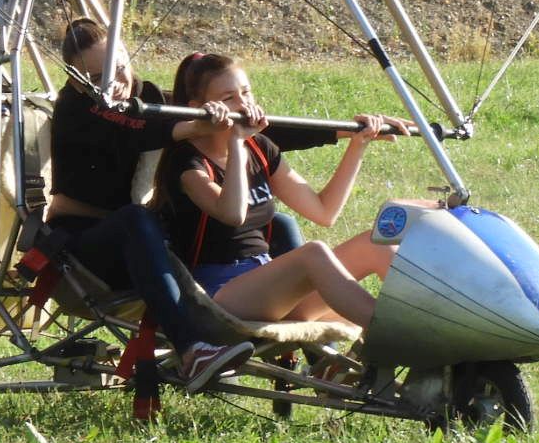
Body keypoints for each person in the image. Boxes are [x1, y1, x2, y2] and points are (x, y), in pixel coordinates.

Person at [45, 19, 264, 391]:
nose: (112, 82)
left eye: (119, 68)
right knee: (135, 218)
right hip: (84, 246)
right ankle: (192, 349)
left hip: (146, 241)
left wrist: (347, 131)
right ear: (74, 79)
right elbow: (133, 128)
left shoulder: (147, 95)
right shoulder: (76, 108)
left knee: (280, 223)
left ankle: (316, 349)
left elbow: (258, 129)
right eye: (96, 77)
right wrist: (193, 126)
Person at [158, 50, 401, 330]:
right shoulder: (188, 162)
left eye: (246, 93)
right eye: (229, 99)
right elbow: (232, 213)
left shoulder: (260, 148)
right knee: (313, 253)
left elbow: (325, 213)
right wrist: (236, 143)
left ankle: (439, 328)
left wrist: (358, 144)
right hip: (218, 296)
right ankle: (398, 334)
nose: (244, 104)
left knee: (375, 244)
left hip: (270, 287)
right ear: (200, 109)